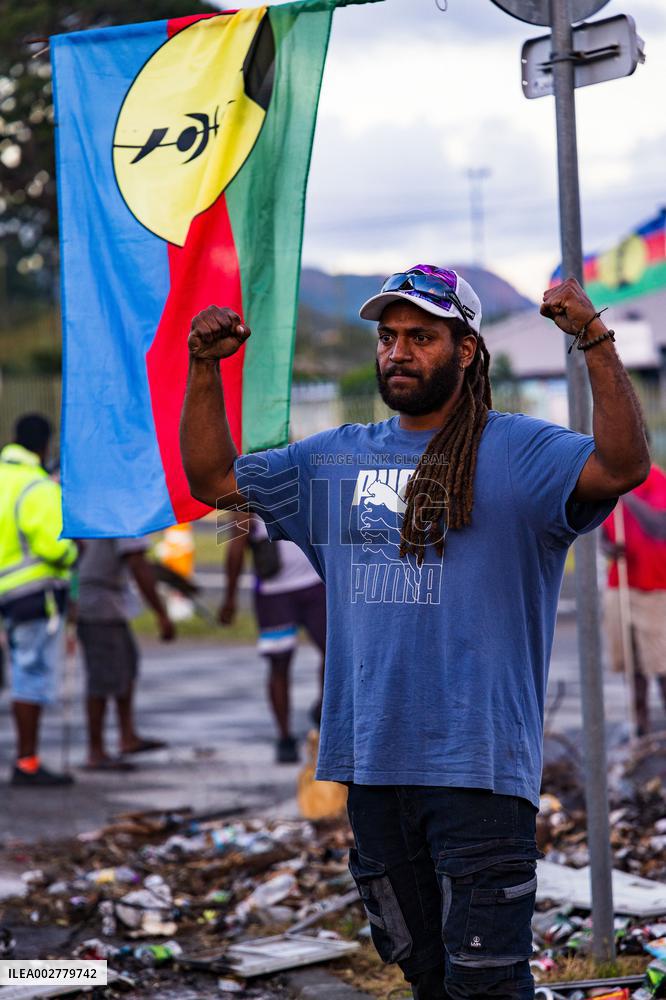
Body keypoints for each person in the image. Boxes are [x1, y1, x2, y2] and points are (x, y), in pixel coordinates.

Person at [180, 266, 649, 1000]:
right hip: (371, 772)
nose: (398, 352)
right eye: (388, 337)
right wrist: (204, 370)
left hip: (479, 776)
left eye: (421, 337)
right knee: (426, 978)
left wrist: (593, 340)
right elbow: (213, 480)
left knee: (487, 987)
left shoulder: (521, 453)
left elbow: (623, 465)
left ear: (466, 351)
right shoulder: (333, 460)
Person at [0, 414, 78, 787]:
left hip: (5, 592)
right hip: (34, 594)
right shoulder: (37, 487)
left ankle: (26, 759)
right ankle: (27, 762)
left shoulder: (3, 478)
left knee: (19, 672)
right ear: (44, 445)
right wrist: (73, 553)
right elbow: (54, 545)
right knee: (30, 676)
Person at [219, 512, 326, 762]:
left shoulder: (306, 476)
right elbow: (236, 548)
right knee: (279, 663)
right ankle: (284, 736)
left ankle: (325, 713)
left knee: (335, 653)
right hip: (274, 592)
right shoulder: (246, 495)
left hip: (315, 583)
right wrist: (230, 598)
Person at [73, 537, 175, 770]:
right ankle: (96, 751)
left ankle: (127, 737)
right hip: (100, 605)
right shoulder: (125, 514)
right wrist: (161, 613)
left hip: (103, 601)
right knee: (102, 677)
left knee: (126, 665)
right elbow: (138, 564)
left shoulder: (103, 506)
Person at [602, 461, 666, 736]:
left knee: (661, 663)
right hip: (621, 585)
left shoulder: (655, 479)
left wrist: (626, 493)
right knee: (632, 663)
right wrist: (609, 549)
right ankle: (641, 727)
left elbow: (658, 527)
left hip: (654, 587)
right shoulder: (606, 483)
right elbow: (602, 534)